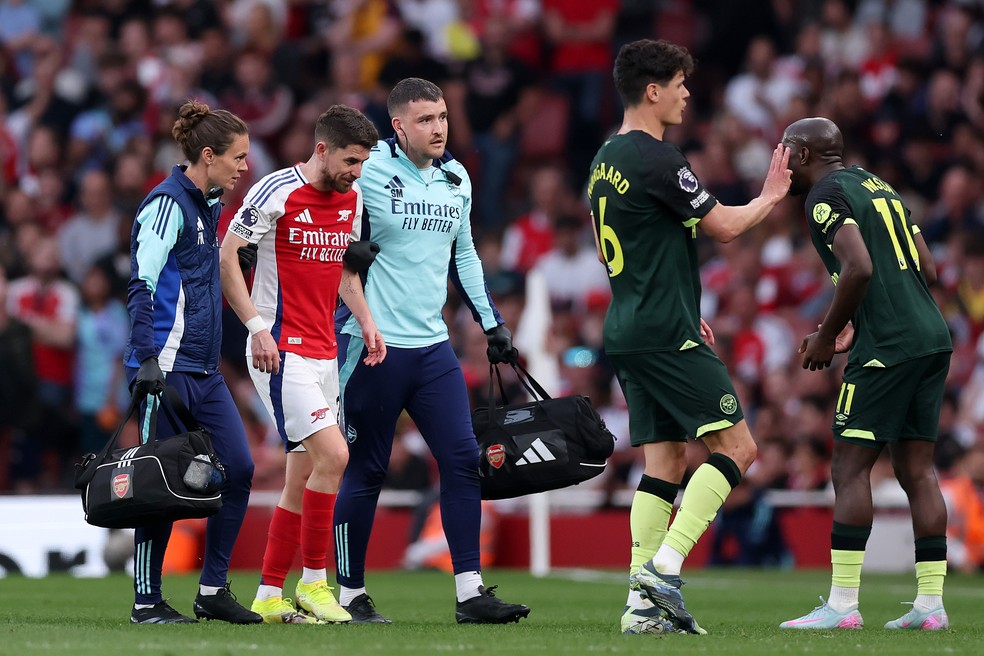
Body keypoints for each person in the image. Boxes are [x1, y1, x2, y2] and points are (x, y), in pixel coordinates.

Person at [586, 39, 791, 635]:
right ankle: (664, 568)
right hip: (664, 330)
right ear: (653, 91)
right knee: (739, 448)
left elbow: (610, 248)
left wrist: (672, 300)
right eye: (679, 84)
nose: (687, 94)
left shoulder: (603, 159)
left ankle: (639, 607)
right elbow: (722, 226)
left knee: (666, 461)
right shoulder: (657, 157)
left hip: (628, 327)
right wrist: (770, 196)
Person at [333, 77, 530, 624]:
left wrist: (491, 323)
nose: (439, 127)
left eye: (442, 116)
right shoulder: (368, 168)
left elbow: (464, 255)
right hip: (372, 345)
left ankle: (470, 592)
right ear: (398, 126)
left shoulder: (456, 177)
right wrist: (346, 250)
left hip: (432, 348)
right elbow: (324, 221)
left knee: (463, 459)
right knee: (366, 469)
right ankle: (349, 594)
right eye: (425, 119)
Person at [779, 116, 952, 631]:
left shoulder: (824, 196)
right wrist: (864, 319)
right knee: (918, 471)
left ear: (804, 154)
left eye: (785, 152)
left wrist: (828, 335)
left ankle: (843, 605)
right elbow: (928, 269)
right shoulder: (880, 186)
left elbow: (859, 267)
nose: (780, 162)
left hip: (889, 348)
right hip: (931, 337)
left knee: (849, 469)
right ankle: (931, 606)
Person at [219, 105, 386, 625]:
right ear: (322, 149)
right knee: (335, 456)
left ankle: (268, 594)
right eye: (351, 161)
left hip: (324, 351)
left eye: (363, 163)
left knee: (303, 476)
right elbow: (228, 256)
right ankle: (315, 583)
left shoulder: (352, 198)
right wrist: (255, 327)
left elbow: (345, 272)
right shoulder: (276, 190)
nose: (357, 172)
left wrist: (367, 320)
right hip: (279, 349)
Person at [122, 100, 261, 625]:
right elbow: (142, 283)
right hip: (164, 370)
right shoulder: (167, 204)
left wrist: (234, 259)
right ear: (208, 156)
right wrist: (147, 359)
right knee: (157, 483)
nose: (244, 166)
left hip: (204, 369)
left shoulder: (210, 202)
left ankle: (212, 590)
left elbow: (194, 273)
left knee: (239, 468)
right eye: (238, 157)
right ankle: (146, 601)